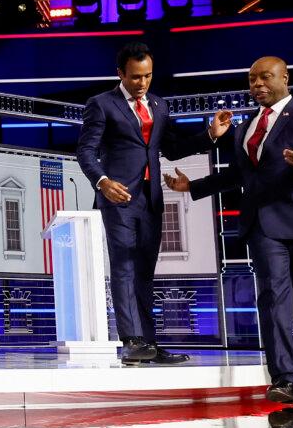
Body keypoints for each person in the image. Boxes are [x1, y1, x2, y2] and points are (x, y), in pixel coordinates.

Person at [165, 57, 293, 403]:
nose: (257, 84)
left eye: (265, 77)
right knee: (274, 300)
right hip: (263, 224)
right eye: (251, 79)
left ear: (285, 78)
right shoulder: (247, 126)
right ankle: (286, 377)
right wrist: (193, 187)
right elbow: (238, 175)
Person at [75, 42, 232, 364]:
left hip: (151, 198)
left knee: (145, 270)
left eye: (147, 76)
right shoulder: (101, 104)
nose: (142, 83)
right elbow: (86, 151)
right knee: (124, 266)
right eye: (135, 77)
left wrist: (210, 135)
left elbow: (172, 149)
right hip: (118, 196)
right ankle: (131, 340)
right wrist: (102, 182)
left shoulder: (159, 106)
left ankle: (148, 341)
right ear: (121, 74)